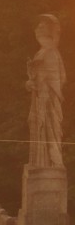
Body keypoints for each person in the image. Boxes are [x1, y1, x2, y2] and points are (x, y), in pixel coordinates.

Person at [26, 14, 66, 168]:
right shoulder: (43, 52)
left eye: (41, 26)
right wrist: (30, 83)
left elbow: (57, 79)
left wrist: (36, 83)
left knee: (49, 131)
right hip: (39, 100)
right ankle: (41, 162)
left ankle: (49, 162)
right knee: (39, 130)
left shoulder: (50, 53)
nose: (37, 29)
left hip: (47, 101)